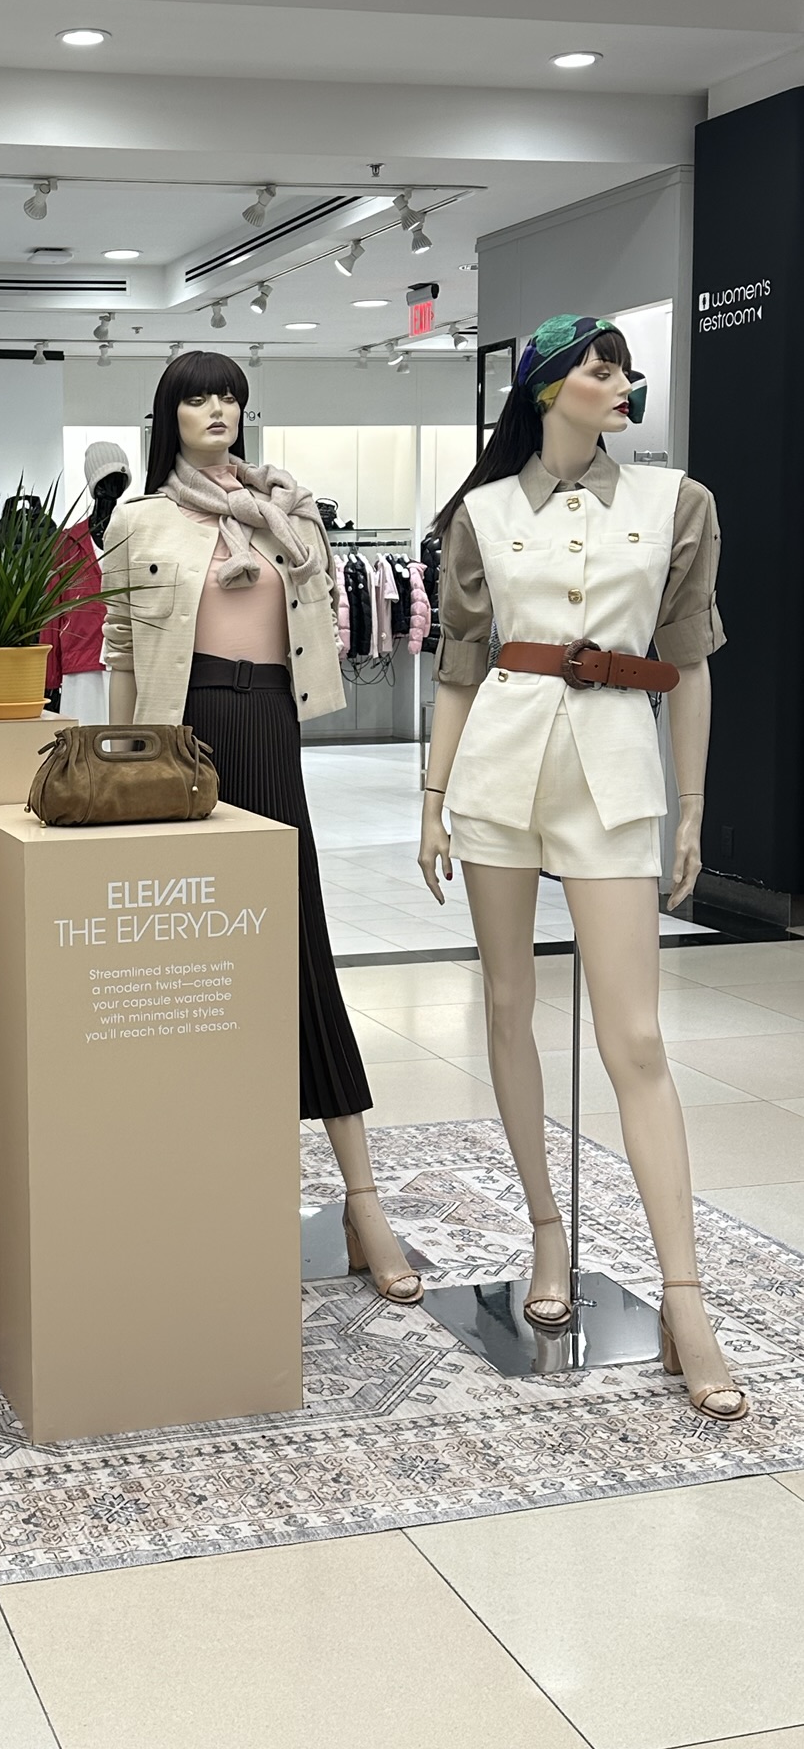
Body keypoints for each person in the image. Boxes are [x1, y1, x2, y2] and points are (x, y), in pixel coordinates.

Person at [420, 314, 745, 1420]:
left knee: (635, 1039)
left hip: (614, 771)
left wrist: (692, 806)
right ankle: (545, 1230)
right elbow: (459, 669)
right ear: (548, 386)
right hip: (499, 773)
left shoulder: (676, 501)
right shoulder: (480, 513)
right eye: (599, 369)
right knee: (508, 1008)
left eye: (623, 370)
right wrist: (433, 800)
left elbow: (689, 662)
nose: (620, 383)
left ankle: (685, 1299)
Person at [101, 350, 421, 1303]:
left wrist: (274, 513)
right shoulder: (138, 520)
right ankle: (197, 1189)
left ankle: (364, 1203)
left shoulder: (288, 513)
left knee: (297, 947)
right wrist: (122, 770)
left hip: (270, 725)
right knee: (191, 967)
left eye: (231, 397)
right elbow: (122, 651)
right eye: (199, 397)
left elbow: (312, 604)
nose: (219, 410)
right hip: (185, 729)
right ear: (168, 414)